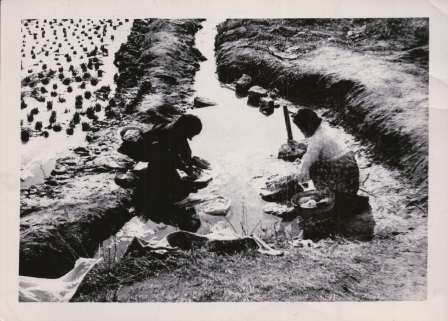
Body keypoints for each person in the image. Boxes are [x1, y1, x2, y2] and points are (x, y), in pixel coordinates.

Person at [293, 108, 360, 197]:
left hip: (344, 174)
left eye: (301, 129)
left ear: (308, 126)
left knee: (314, 167)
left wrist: (297, 176)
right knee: (317, 162)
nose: (302, 132)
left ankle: (326, 195)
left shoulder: (317, 138)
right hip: (351, 171)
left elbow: (307, 163)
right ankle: (340, 192)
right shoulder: (325, 128)